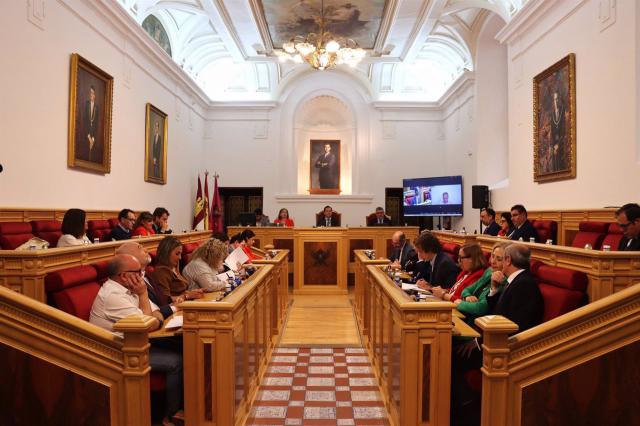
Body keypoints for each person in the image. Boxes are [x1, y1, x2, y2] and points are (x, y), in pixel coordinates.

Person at [89, 254, 182, 424]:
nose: (142, 276)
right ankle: (170, 416)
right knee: (176, 360)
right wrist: (144, 294)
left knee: (181, 347)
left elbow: (154, 315)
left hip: (137, 344)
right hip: (118, 353)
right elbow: (148, 323)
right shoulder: (113, 295)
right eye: (139, 272)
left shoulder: (126, 288)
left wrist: (155, 317)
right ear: (124, 276)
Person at [116, 242, 183, 320]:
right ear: (129, 257)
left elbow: (159, 303)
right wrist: (174, 307)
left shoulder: (146, 274)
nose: (146, 250)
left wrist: (180, 300)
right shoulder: (130, 282)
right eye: (140, 248)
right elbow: (149, 317)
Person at [486, 244, 544, 332]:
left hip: (504, 340)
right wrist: (494, 289)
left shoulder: (524, 284)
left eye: (501, 259)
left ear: (508, 260)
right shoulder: (517, 280)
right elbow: (498, 310)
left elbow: (516, 325)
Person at [454, 242, 509, 321]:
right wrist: (467, 296)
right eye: (493, 256)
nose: (493, 261)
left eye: (499, 259)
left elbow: (481, 308)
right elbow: (466, 290)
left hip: (480, 322)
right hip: (468, 316)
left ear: (508, 261)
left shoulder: (504, 281)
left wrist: (459, 303)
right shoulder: (489, 271)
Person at [149, 236, 204, 304]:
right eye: (177, 254)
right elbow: (166, 300)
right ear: (166, 253)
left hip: (186, 304)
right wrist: (187, 296)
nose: (180, 258)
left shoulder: (173, 267)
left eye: (180, 254)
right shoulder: (160, 272)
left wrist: (193, 293)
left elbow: (180, 292)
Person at [77, 85, 100, 162]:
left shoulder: (97, 107)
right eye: (90, 93)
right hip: (86, 135)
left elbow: (96, 123)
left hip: (93, 136)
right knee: (85, 154)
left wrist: (93, 139)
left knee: (93, 155)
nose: (91, 95)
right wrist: (89, 137)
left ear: (95, 95)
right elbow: (85, 120)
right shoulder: (86, 104)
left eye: (92, 93)